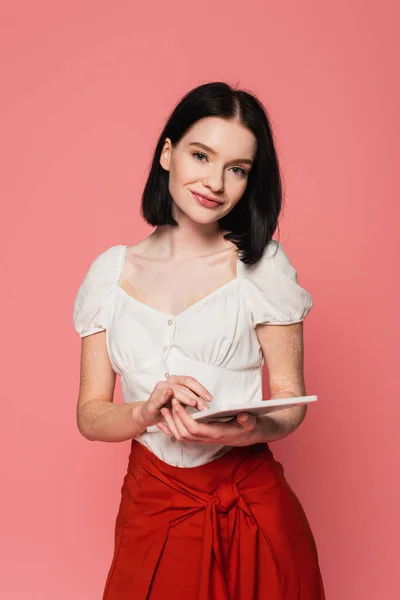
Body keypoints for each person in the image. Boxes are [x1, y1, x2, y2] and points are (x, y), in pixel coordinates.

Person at [72, 81, 326, 599]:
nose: (215, 181)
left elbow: (290, 403)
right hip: (152, 506)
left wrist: (247, 428)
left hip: (252, 508)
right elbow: (90, 415)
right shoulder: (108, 273)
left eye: (237, 169)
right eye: (201, 155)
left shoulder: (265, 267)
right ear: (167, 153)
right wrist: (145, 412)